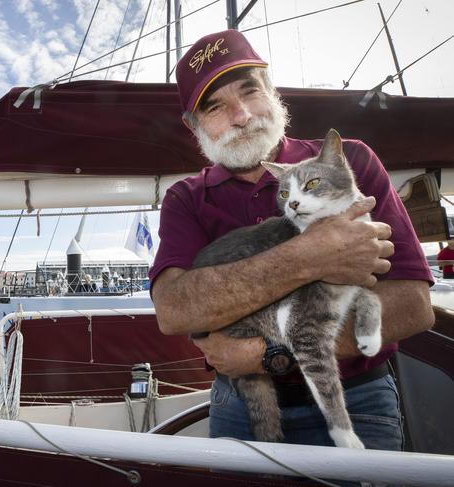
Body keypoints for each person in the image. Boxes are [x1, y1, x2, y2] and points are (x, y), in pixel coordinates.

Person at [149, 30, 434, 450]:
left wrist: (260, 355)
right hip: (241, 404)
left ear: (272, 91)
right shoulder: (186, 198)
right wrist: (312, 256)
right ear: (193, 126)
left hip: (359, 398)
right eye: (215, 107)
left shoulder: (350, 160)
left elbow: (413, 307)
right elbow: (174, 310)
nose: (242, 115)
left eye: (250, 91)